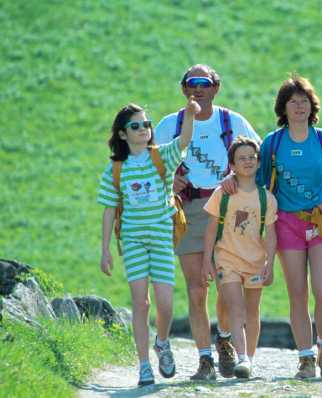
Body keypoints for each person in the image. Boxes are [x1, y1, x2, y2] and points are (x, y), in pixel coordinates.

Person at [154, 64, 261, 380]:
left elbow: (259, 157)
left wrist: (238, 178)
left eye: (204, 83)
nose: (197, 88)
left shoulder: (233, 121)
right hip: (189, 210)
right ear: (183, 88)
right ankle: (204, 359)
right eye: (191, 83)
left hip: (228, 208)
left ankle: (225, 338)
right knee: (197, 287)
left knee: (228, 285)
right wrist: (167, 180)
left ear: (216, 88)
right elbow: (148, 164)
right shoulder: (168, 125)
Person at [256, 74, 322, 379]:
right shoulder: (272, 144)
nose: (299, 106)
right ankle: (305, 357)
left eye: (304, 101)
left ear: (313, 107)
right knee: (297, 293)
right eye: (292, 101)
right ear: (282, 108)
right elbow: (260, 187)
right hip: (287, 223)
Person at [98, 96, 199, 386]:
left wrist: (190, 115)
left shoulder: (161, 156)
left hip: (161, 238)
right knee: (140, 303)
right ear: (122, 134)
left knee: (165, 304)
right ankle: (144, 366)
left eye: (147, 124)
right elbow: (108, 210)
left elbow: (184, 141)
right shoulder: (116, 169)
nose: (144, 129)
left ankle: (162, 342)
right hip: (132, 241)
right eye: (136, 126)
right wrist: (105, 250)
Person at [201, 137, 278, 379]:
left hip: (255, 261)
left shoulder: (267, 198)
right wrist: (206, 261)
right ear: (232, 165)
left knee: (252, 311)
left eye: (252, 157)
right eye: (242, 158)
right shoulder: (222, 194)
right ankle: (241, 357)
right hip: (227, 259)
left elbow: (272, 234)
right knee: (236, 308)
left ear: (258, 162)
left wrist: (270, 263)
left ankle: (250, 360)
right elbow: (211, 229)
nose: (248, 161)